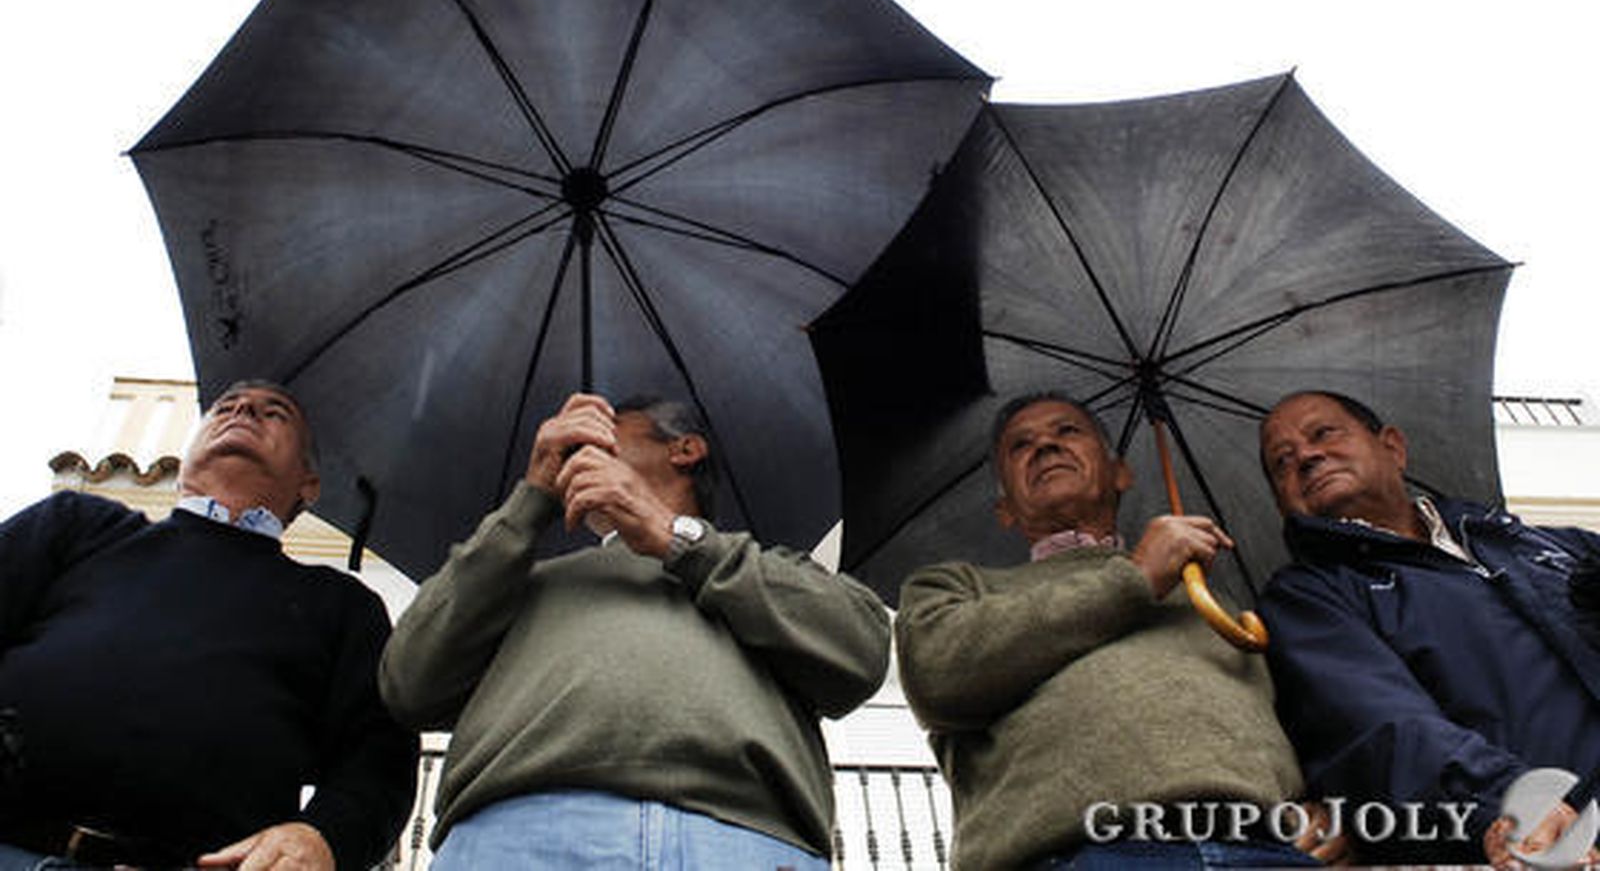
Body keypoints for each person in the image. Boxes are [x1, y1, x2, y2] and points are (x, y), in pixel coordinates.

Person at [379, 392, 890, 868]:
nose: (579, 447)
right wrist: (530, 500)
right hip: (515, 836)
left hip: (745, 838)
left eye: (604, 430)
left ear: (685, 449)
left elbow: (862, 651)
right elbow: (408, 683)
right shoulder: (520, 582)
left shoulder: (776, 570)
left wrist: (675, 538)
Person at [895, 392, 1328, 870]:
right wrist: (1137, 579)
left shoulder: (1206, 593)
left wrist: (1325, 806)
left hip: (1267, 850)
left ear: (1121, 473)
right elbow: (936, 677)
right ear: (1005, 511)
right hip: (1078, 854)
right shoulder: (958, 587)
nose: (1046, 446)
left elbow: (1292, 717)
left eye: (1067, 431)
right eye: (1021, 445)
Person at [0, 380, 418, 871]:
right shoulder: (78, 524)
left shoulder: (342, 606)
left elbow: (378, 762)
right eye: (225, 407)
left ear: (309, 483)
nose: (243, 412)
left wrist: (324, 837)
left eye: (274, 412)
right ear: (185, 459)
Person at [1258, 389, 1600, 867]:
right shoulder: (1310, 595)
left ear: (1392, 447)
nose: (1307, 457)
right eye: (1282, 461)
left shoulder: (1545, 544)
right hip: (1551, 841)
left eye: (1324, 433)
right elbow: (1383, 729)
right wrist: (1514, 804)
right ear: (1282, 504)